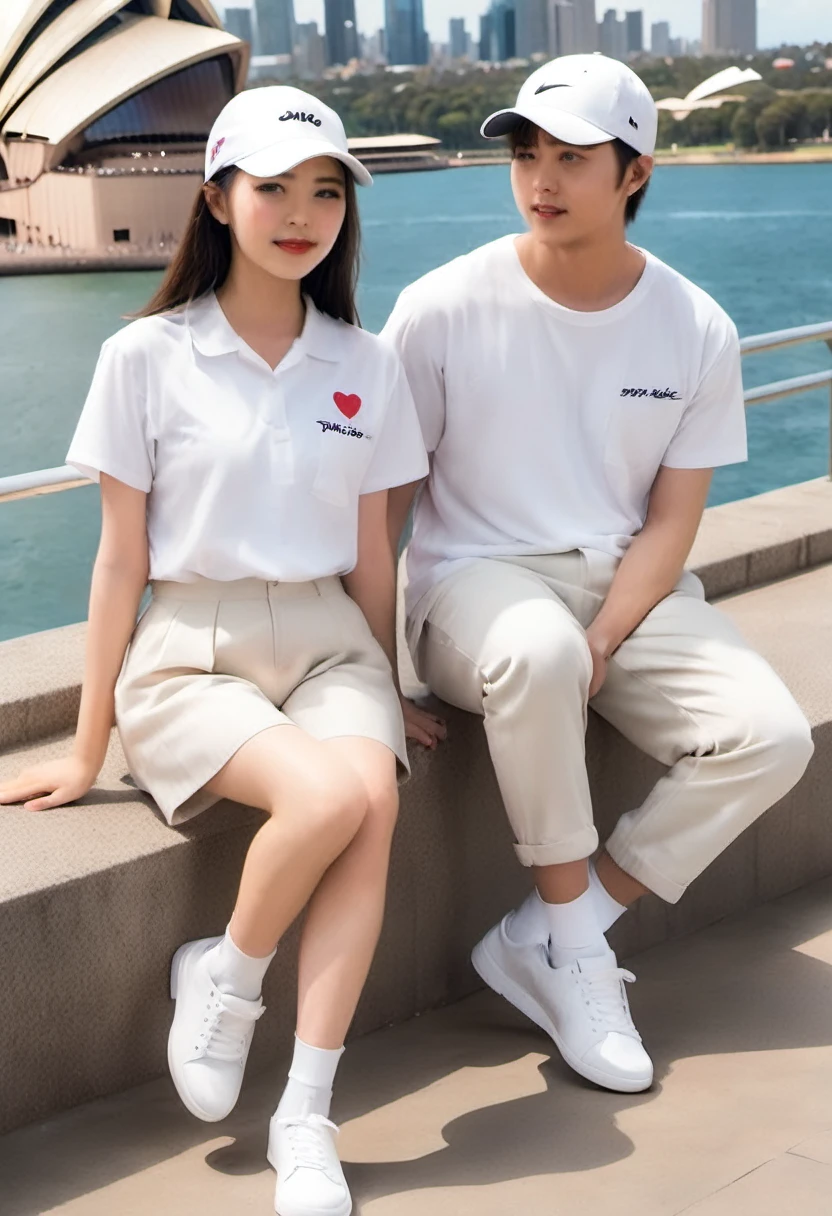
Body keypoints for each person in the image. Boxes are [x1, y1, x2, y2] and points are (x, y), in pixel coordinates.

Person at [0, 86, 444, 1216]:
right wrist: (88, 743)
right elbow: (115, 565)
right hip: (192, 651)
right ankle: (231, 975)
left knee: (372, 796)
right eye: (274, 188)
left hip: (332, 646)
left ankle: (305, 1113)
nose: (303, 214)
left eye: (326, 192)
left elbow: (374, 559)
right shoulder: (147, 354)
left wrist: (392, 687)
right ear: (216, 198)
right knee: (328, 799)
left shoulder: (365, 362)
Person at [382, 55, 814, 1095]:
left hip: (621, 585)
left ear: (633, 173)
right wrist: (366, 670)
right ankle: (578, 961)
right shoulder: (438, 310)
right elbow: (383, 508)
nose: (540, 178)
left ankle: (552, 923)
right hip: (471, 585)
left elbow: (671, 520)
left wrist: (609, 638)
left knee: (771, 737)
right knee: (533, 651)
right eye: (527, 153)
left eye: (571, 158)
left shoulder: (694, 325)